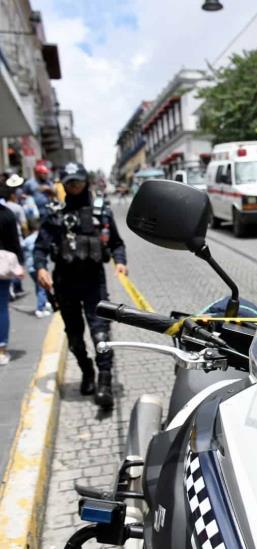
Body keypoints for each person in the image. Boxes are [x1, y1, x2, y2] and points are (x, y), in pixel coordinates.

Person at [34, 162, 128, 409]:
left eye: (78, 181)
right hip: (65, 285)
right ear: (63, 185)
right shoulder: (55, 214)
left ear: (86, 182)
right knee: (75, 338)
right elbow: (40, 247)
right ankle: (87, 372)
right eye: (70, 182)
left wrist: (120, 262)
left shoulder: (100, 211)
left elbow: (117, 243)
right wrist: (41, 267)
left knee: (101, 334)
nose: (75, 186)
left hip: (94, 284)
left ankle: (105, 382)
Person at [0, 201, 23, 365]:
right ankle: (1, 350)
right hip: (2, 265)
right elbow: (14, 243)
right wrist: (18, 265)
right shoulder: (6, 214)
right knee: (1, 307)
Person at [22, 219, 52, 318]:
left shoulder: (27, 240)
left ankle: (45, 302)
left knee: (38, 287)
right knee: (41, 289)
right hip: (40, 267)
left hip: (30, 267)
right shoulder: (41, 238)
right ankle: (40, 309)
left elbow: (21, 248)